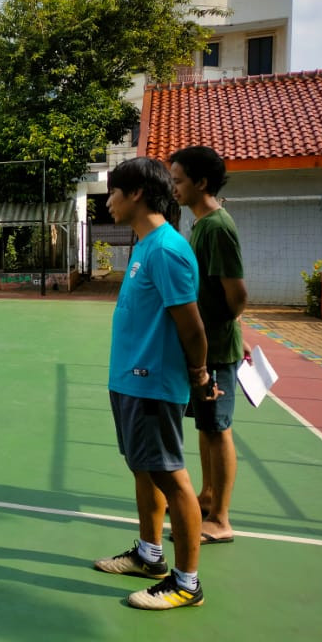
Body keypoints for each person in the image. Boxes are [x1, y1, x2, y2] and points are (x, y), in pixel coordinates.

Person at [92, 157, 217, 610]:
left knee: (169, 474)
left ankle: (187, 582)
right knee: (144, 468)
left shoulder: (165, 249)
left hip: (152, 382)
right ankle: (149, 555)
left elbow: (192, 327)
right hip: (129, 380)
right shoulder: (144, 244)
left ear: (137, 193)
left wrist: (201, 375)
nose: (108, 201)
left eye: (113, 192)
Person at [170, 146, 248, 544]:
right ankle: (207, 495)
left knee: (219, 430)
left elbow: (236, 296)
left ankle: (220, 519)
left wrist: (229, 330)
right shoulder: (201, 224)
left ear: (201, 183)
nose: (174, 188)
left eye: (179, 180)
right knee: (206, 426)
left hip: (215, 348)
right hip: (209, 344)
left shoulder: (217, 227)